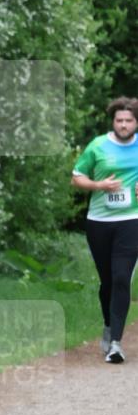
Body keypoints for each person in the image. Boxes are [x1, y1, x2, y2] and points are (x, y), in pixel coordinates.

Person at [72, 96, 138, 363]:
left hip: (131, 220)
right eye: (119, 120)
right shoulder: (98, 146)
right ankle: (109, 325)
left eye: (129, 120)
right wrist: (99, 186)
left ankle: (115, 343)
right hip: (99, 222)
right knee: (108, 281)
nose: (123, 125)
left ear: (136, 122)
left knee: (122, 277)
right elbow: (76, 177)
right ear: (113, 121)